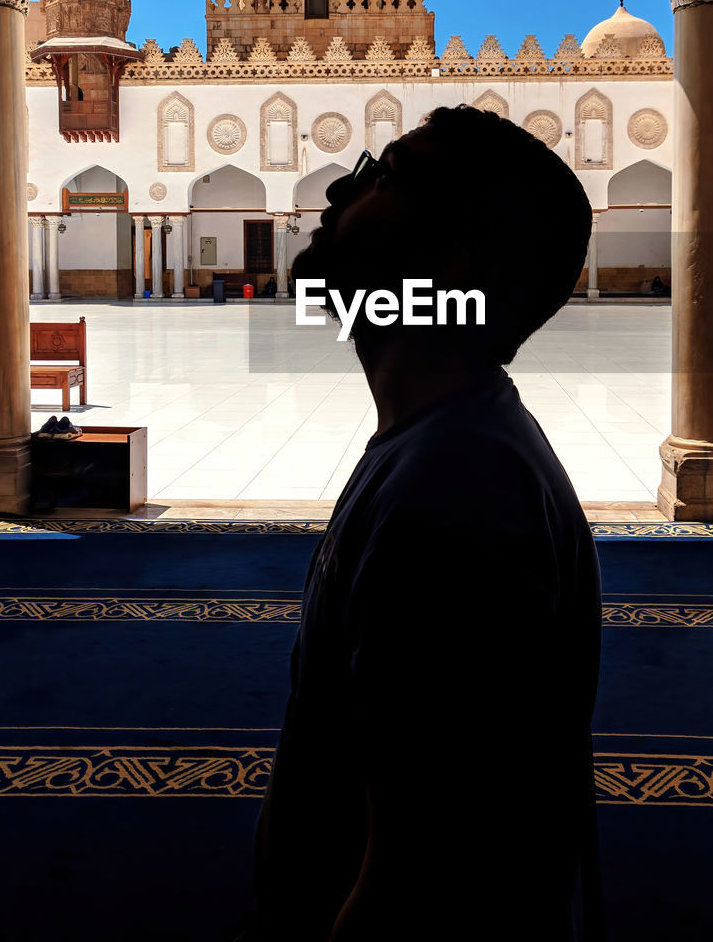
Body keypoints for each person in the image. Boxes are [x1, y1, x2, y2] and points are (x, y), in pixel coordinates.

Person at [246, 106, 603, 941]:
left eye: (383, 175)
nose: (339, 186)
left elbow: (422, 877)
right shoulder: (439, 441)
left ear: (447, 264)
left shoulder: (457, 486)